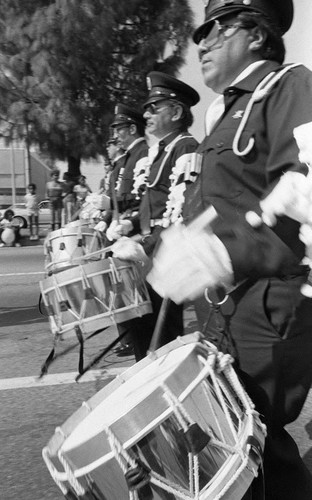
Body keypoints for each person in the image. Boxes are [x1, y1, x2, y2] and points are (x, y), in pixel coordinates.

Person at [147, 1, 312, 499]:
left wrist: (224, 253)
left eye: (218, 28)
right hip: (225, 306)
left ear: (257, 35)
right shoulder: (228, 112)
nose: (204, 41)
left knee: (256, 442)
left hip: (267, 303)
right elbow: (214, 206)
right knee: (236, 443)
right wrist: (159, 245)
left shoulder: (287, 87)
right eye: (205, 31)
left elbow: (306, 191)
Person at [111, 73, 200, 361]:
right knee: (142, 329)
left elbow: (183, 210)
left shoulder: (185, 147)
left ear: (175, 112)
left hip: (166, 254)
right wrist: (131, 227)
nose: (146, 114)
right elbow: (153, 205)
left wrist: (144, 245)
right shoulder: (163, 149)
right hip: (151, 250)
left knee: (160, 339)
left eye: (154, 107)